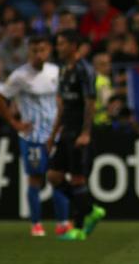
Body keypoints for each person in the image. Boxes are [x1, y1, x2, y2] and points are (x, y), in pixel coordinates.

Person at [0, 35, 69, 237]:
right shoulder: (20, 76)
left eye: (42, 50)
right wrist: (14, 122)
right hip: (32, 136)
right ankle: (36, 223)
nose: (38, 54)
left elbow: (61, 99)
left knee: (58, 176)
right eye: (34, 50)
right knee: (35, 179)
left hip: (55, 135)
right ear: (29, 52)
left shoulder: (56, 71)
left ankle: (63, 223)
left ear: (49, 50)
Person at [45, 30, 105, 241]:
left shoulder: (84, 70)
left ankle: (79, 228)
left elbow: (90, 102)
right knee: (53, 175)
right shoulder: (63, 70)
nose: (58, 47)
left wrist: (86, 132)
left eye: (62, 44)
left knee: (78, 178)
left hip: (80, 132)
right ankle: (90, 209)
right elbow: (62, 106)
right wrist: (53, 134)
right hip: (66, 131)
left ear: (73, 46)